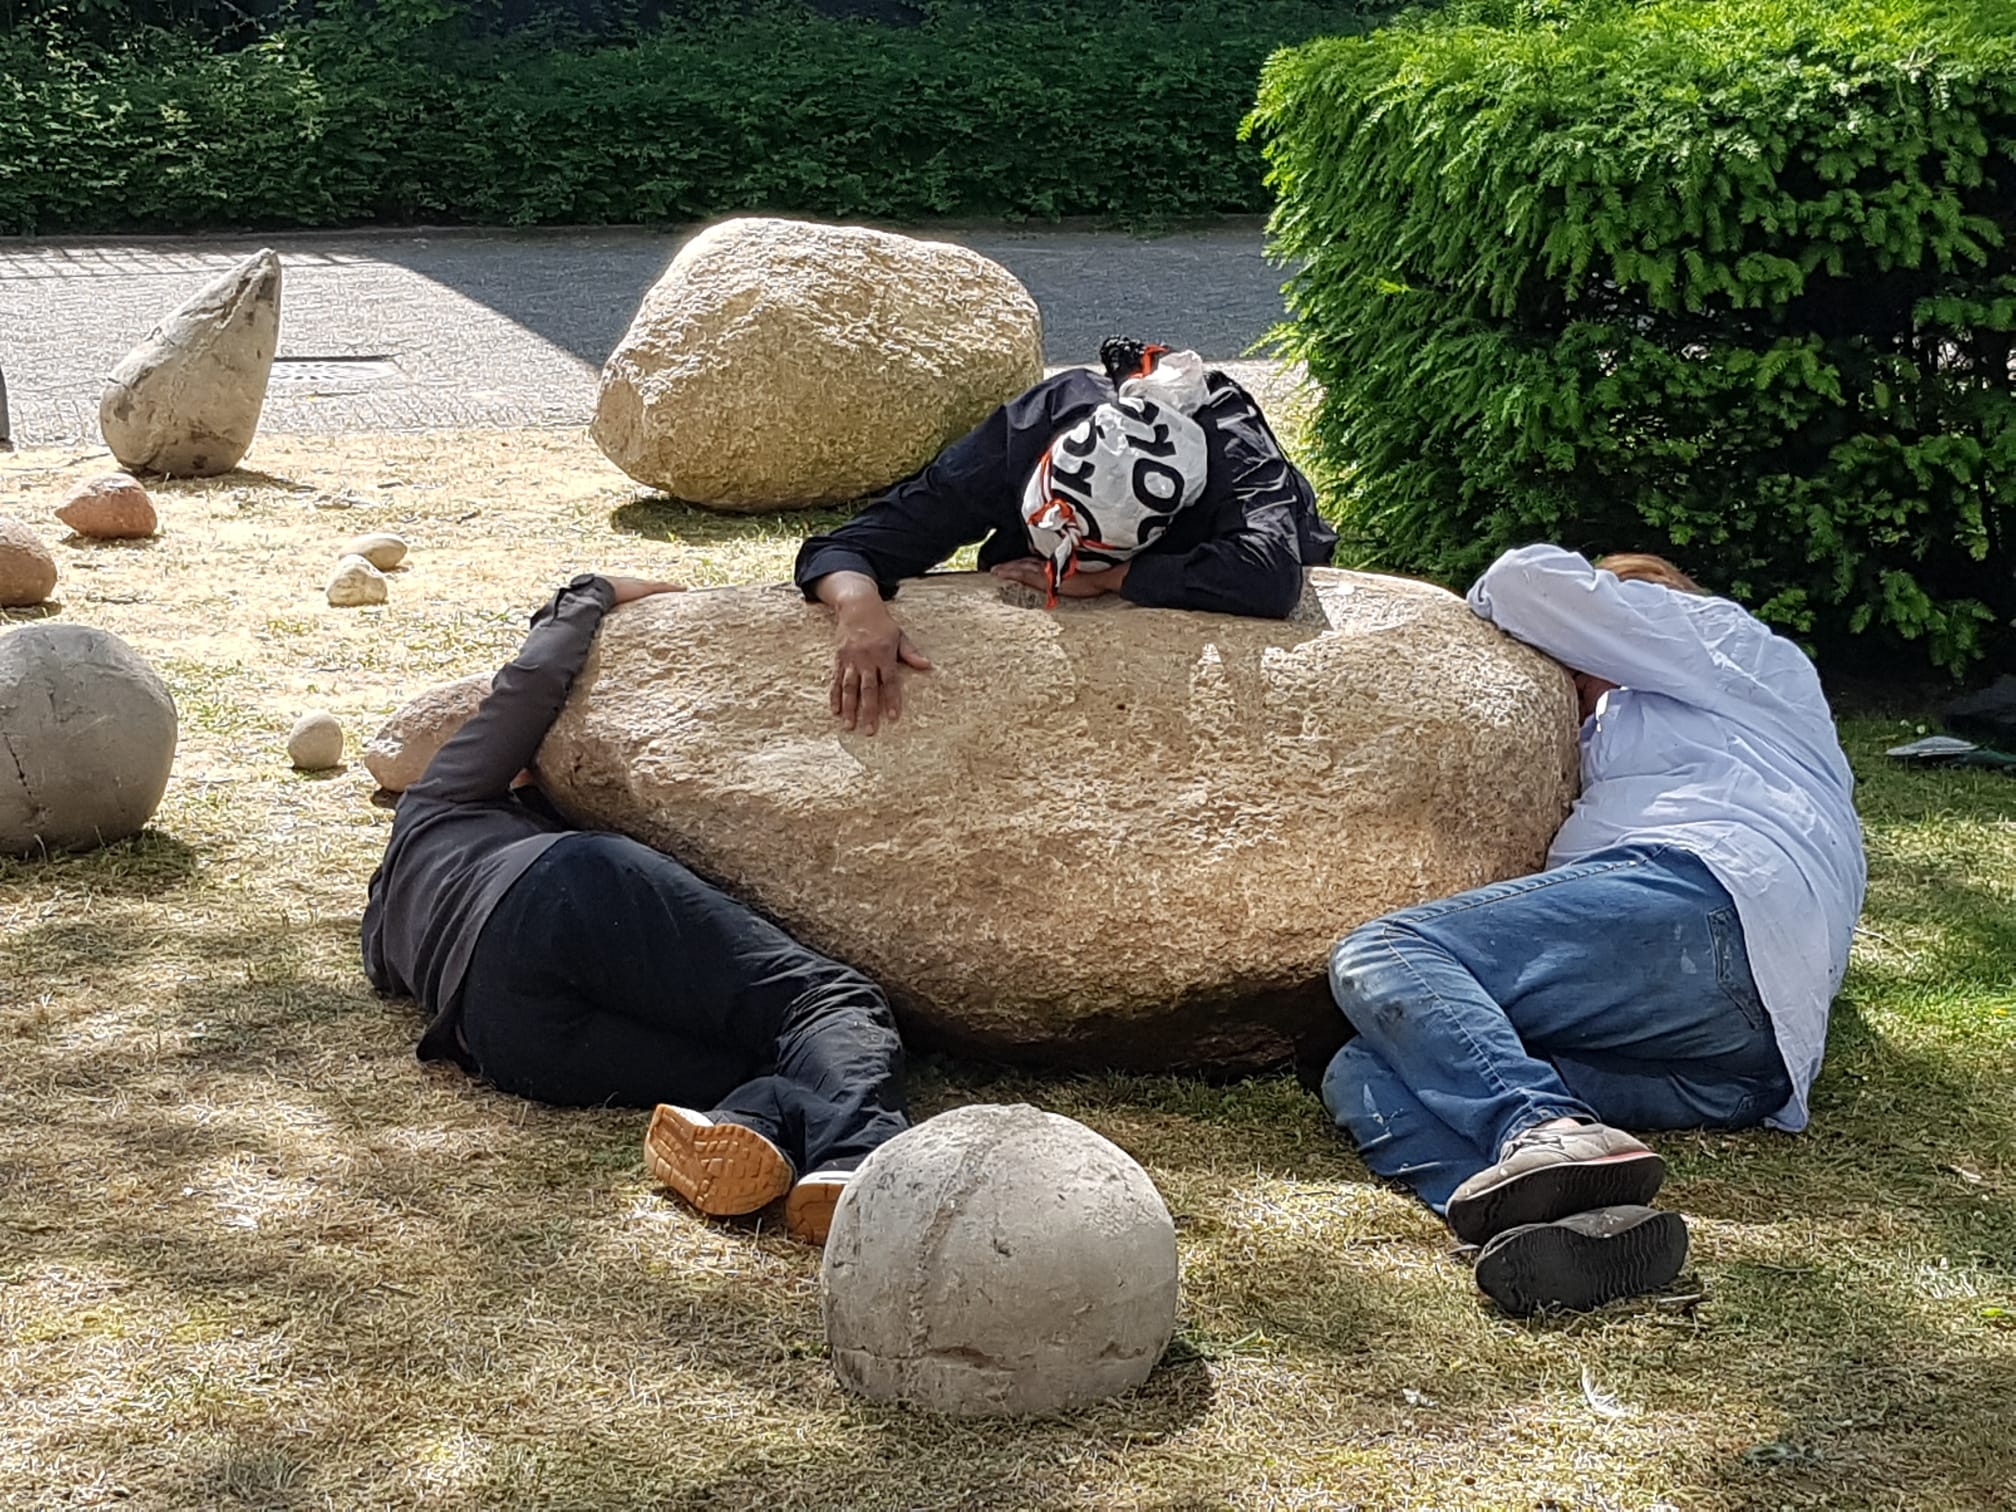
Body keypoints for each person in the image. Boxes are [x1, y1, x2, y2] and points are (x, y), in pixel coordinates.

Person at [1320, 545, 1865, 1314]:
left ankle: (1539, 1125)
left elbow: (1523, 583)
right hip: (1737, 1068)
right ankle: (1549, 1231)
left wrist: (1584, 613)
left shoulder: (1730, 645)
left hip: (1711, 904)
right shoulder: (1644, 732)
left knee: (1387, 949)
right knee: (1364, 1067)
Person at [361, 572, 910, 1244]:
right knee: (827, 1001)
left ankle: (742, 1125)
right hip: (558, 893)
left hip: (509, 1037)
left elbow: (389, 973)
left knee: (761, 1056)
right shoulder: (439, 795)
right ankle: (859, 1164)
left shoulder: (384, 921)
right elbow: (531, 684)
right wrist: (590, 591)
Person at [794, 337, 1338, 733]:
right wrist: (859, 610)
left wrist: (1116, 580)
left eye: (1081, 552)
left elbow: (1269, 573)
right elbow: (848, 545)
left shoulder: (1231, 444)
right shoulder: (1026, 432)